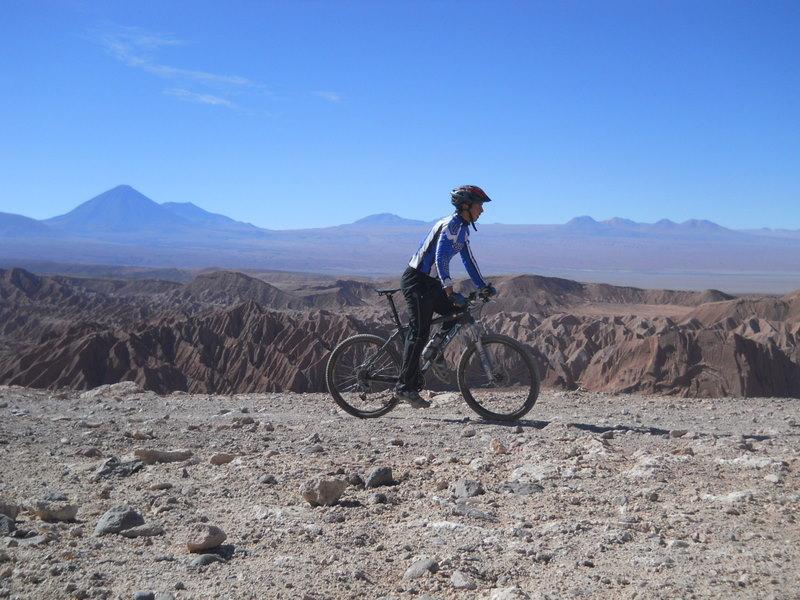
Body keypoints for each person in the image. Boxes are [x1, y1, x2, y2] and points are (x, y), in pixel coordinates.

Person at [394, 185, 497, 408]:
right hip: (416, 280)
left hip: (430, 282)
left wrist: (483, 286)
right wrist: (449, 291)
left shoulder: (463, 230)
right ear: (466, 206)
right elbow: (440, 258)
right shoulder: (450, 225)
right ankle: (404, 387)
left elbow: (469, 260)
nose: (482, 210)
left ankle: (433, 350)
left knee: (456, 314)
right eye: (479, 206)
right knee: (418, 331)